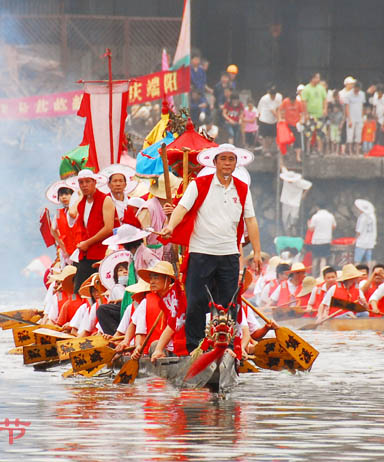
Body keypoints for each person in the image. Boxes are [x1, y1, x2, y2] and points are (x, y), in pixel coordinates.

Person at [159, 143, 262, 352]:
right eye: (223, 159)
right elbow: (182, 208)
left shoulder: (242, 188)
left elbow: (251, 221)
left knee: (229, 304)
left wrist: (258, 253)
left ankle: (229, 346)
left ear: (236, 163)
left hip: (229, 254)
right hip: (201, 252)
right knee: (196, 302)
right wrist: (170, 226)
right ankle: (194, 347)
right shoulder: (199, 184)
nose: (227, 163)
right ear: (215, 162)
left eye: (231, 159)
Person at [70, 169, 115, 292]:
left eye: (87, 182)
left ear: (94, 182)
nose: (84, 185)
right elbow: (72, 213)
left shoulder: (105, 200)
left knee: (100, 290)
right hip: (85, 252)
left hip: (102, 252)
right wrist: (80, 197)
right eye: (81, 182)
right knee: (80, 290)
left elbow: (108, 228)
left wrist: (88, 243)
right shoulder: (82, 202)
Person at [99, 164, 140, 228]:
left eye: (121, 181)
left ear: (125, 184)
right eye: (115, 181)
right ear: (109, 184)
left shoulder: (131, 202)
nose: (118, 184)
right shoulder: (103, 201)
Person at [301, 73, 328, 154]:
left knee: (321, 133)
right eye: (317, 78)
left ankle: (320, 150)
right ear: (312, 78)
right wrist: (306, 114)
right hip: (310, 114)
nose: (318, 79)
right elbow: (304, 102)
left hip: (320, 114)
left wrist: (325, 109)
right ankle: (308, 150)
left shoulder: (321, 88)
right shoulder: (306, 89)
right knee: (309, 133)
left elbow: (325, 99)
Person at [339, 76, 365, 155]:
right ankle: (350, 150)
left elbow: (362, 106)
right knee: (350, 135)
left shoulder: (362, 94)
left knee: (358, 135)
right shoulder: (348, 95)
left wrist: (362, 117)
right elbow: (347, 108)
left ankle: (357, 151)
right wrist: (349, 119)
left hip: (359, 117)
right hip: (351, 118)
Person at [307, 208, 335, 273]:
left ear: (318, 208)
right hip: (326, 240)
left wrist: (308, 224)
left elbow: (311, 229)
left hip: (316, 240)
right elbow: (333, 227)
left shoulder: (315, 216)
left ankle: (314, 275)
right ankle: (321, 275)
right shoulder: (330, 216)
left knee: (315, 258)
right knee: (323, 259)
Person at [256, 86, 282, 156]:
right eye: (272, 95)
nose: (273, 97)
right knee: (265, 136)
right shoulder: (265, 99)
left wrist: (279, 118)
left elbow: (278, 108)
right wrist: (279, 119)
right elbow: (272, 110)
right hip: (265, 119)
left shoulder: (279, 97)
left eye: (274, 95)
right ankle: (265, 150)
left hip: (273, 120)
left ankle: (267, 148)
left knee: (272, 136)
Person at [354, 199, 376, 264]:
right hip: (370, 241)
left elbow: (359, 231)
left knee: (357, 260)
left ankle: (356, 273)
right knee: (368, 260)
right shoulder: (372, 216)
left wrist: (355, 240)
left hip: (361, 242)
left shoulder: (362, 217)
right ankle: (369, 273)